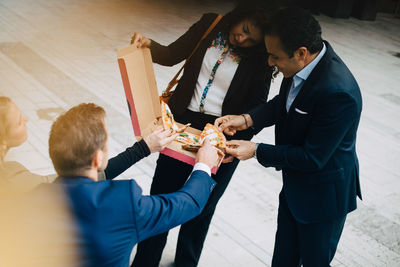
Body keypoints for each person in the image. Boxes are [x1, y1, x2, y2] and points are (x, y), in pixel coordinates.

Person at [130, 1, 278, 266]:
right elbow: (171, 54)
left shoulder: (260, 59)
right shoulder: (210, 24)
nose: (241, 38)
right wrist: (147, 44)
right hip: (182, 125)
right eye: (242, 29)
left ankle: (186, 262)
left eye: (250, 39)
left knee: (202, 207)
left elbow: (258, 108)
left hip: (222, 134)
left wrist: (239, 142)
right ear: (238, 17)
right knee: (163, 196)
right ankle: (145, 261)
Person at [215, 7, 362, 267]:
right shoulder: (298, 65)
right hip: (295, 189)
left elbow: (312, 157)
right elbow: (283, 103)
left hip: (324, 198)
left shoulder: (339, 93)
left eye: (274, 56)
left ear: (301, 53)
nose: (269, 62)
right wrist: (246, 119)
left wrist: (256, 150)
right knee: (283, 259)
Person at [34, 103, 220, 267]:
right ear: (98, 158)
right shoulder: (122, 204)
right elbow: (186, 204)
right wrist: (203, 165)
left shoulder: (29, 197)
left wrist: (143, 148)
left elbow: (94, 175)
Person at [0, 96, 175, 195]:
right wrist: (142, 149)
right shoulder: (11, 180)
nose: (26, 119)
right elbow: (74, 179)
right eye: (17, 123)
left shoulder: (12, 173)